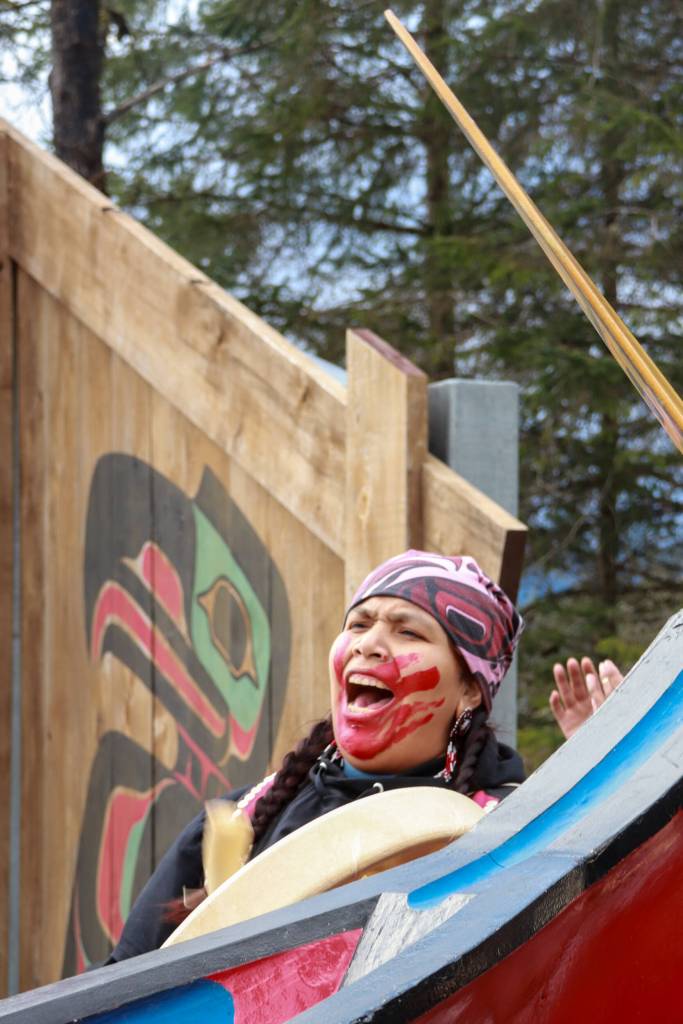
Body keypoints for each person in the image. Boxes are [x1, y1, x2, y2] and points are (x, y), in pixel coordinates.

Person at [105, 549, 619, 963]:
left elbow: (584, 953)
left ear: (468, 690)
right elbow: (120, 988)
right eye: (359, 624)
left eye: (407, 631)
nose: (369, 645)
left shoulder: (511, 827)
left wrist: (604, 777)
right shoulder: (242, 817)